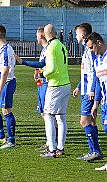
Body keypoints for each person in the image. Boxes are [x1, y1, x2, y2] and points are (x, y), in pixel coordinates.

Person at [14, 26, 52, 151]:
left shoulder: (48, 49)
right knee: (43, 114)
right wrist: (37, 73)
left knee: (48, 114)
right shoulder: (44, 49)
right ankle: (50, 141)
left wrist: (23, 61)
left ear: (41, 36)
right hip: (41, 84)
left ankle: (52, 142)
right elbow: (42, 67)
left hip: (47, 84)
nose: (36, 37)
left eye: (37, 35)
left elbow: (43, 64)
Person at [72, 23, 103, 161]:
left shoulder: (90, 51)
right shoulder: (86, 50)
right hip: (85, 90)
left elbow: (96, 72)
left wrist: (91, 90)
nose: (76, 36)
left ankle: (95, 150)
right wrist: (79, 86)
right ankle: (94, 151)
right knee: (91, 121)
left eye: (77, 34)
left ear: (83, 35)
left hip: (89, 91)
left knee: (84, 121)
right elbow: (87, 73)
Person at [39, 24, 70, 158]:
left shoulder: (50, 47)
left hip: (55, 85)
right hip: (66, 84)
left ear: (45, 34)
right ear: (56, 33)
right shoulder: (62, 45)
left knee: (48, 115)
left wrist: (42, 73)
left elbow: (51, 69)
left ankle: (51, 149)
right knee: (61, 117)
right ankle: (60, 147)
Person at [89, 32, 107, 170]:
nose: (91, 51)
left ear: (99, 43)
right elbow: (98, 84)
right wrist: (95, 104)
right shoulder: (97, 61)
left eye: (92, 47)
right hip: (104, 104)